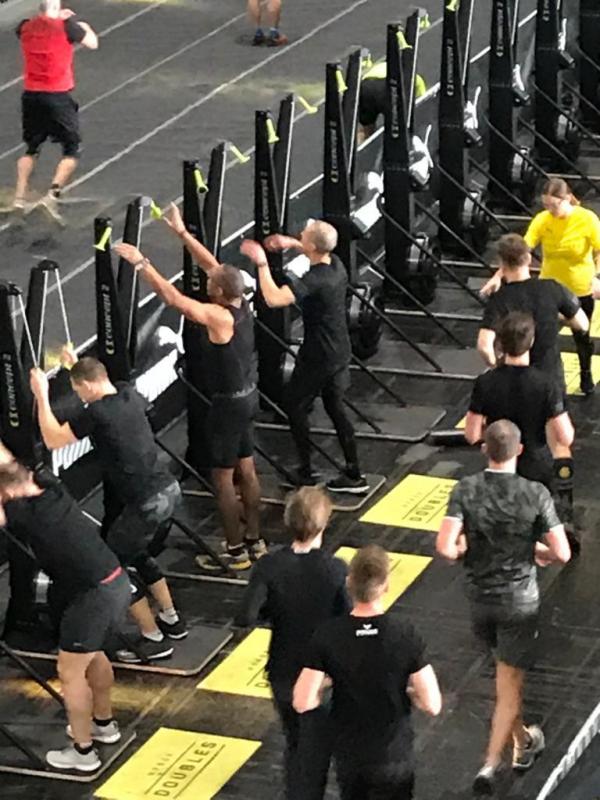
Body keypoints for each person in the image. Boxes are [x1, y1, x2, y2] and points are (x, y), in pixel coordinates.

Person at [115, 210, 265, 571]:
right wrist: (182, 234)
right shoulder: (240, 302)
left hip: (228, 405)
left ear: (219, 293)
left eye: (211, 285)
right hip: (249, 395)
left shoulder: (218, 317)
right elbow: (213, 265)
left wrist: (141, 263)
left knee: (223, 479)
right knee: (247, 469)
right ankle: (255, 539)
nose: (207, 282)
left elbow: (173, 299)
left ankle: (234, 550)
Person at [436, 420, 571, 794]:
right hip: (518, 604)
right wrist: (536, 552)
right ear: (520, 451)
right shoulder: (535, 493)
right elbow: (562, 553)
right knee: (509, 688)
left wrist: (465, 550)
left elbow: (446, 547)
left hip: (479, 601)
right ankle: (490, 764)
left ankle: (523, 742)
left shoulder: (465, 489)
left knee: (503, 678)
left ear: (485, 450)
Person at [30, 360, 185, 663]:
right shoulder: (127, 392)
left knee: (111, 568)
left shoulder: (97, 413)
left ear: (87, 385)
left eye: (78, 391)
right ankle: (171, 618)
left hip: (146, 502)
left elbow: (52, 438)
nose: (79, 397)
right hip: (167, 489)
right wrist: (73, 365)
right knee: (136, 553)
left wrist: (41, 394)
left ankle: (152, 637)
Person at [0, 457, 129, 772]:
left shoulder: (24, 512)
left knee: (70, 673)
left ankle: (83, 753)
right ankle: (104, 725)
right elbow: (8, 466)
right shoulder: (51, 487)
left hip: (92, 597)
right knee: (94, 654)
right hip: (114, 582)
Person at [294, 544, 442, 800]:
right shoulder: (405, 634)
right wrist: (407, 693)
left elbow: (302, 701)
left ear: (349, 583)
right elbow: (433, 705)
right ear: (386, 586)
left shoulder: (328, 635)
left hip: (352, 758)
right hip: (394, 757)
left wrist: (328, 683)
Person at [236, 487, 350, 799]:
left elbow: (245, 616)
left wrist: (273, 611)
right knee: (318, 746)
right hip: (323, 674)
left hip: (283, 670)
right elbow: (349, 619)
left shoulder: (269, 566)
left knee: (296, 742)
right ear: (324, 524)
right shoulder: (335, 568)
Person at [241, 222, 367, 494]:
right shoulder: (336, 265)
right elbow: (317, 247)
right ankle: (354, 472)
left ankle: (306, 470)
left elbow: (274, 299)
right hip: (339, 349)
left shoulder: (316, 279)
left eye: (304, 236)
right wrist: (290, 243)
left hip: (318, 355)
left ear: (312, 245)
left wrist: (261, 263)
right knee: (335, 408)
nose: (300, 235)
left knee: (294, 405)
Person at [477, 233, 588, 539]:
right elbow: (582, 323)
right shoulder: (551, 288)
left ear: (501, 264)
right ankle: (562, 513)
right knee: (559, 445)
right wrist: (557, 321)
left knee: (510, 445)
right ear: (529, 258)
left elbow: (484, 344)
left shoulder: (500, 299)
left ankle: (512, 515)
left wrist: (495, 366)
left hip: (511, 382)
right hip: (549, 380)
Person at [466, 312, 579, 552]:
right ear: (532, 341)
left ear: (500, 343)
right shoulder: (546, 384)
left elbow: (472, 434)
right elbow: (566, 436)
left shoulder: (485, 382)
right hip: (537, 467)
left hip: (501, 465)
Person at [482, 181, 600, 394]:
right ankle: (534, 378)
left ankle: (586, 373)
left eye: (554, 205)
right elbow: (520, 251)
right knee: (542, 335)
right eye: (546, 206)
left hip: (579, 286)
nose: (550, 210)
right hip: (550, 288)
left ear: (567, 199)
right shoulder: (543, 220)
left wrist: (597, 276)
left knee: (582, 334)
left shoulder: (587, 219)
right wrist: (499, 275)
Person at [9, 0, 98, 221]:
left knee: (31, 148)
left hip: (31, 95)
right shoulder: (67, 27)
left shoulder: (25, 26)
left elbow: (37, 26)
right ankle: (52, 195)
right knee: (72, 149)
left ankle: (19, 198)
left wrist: (56, 17)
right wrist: (80, 24)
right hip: (57, 96)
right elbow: (92, 43)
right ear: (58, 9)